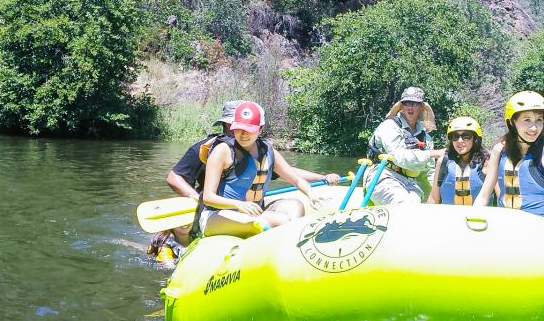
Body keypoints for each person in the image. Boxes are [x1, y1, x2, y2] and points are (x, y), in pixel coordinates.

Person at [167, 100, 339, 202]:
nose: (244, 131)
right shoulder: (207, 148)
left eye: (249, 126)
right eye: (238, 125)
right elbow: (174, 177)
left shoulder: (259, 150)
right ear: (228, 125)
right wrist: (196, 198)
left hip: (246, 207)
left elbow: (288, 172)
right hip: (216, 205)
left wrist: (321, 177)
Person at [200, 102, 324, 237]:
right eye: (239, 128)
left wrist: (311, 194)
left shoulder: (268, 151)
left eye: (249, 129)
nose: (243, 134)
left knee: (296, 206)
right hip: (217, 215)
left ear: (260, 129)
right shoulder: (222, 151)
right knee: (276, 220)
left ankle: (290, 243)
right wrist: (239, 205)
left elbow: (296, 180)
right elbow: (208, 197)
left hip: (252, 210)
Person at [473, 91, 544, 222]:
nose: (534, 128)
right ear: (512, 122)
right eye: (527, 120)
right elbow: (484, 196)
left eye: (539, 120)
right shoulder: (499, 150)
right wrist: (472, 221)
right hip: (506, 227)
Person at [365, 86, 445, 205]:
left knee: (418, 202)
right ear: (401, 106)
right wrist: (432, 153)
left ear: (421, 107)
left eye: (415, 103)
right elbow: (397, 155)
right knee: (405, 202)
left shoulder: (425, 138)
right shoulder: (389, 126)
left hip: (409, 182)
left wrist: (440, 194)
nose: (410, 107)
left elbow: (428, 172)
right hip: (382, 177)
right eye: (407, 103)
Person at [427, 117, 490, 205]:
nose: (460, 141)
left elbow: (500, 196)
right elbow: (434, 198)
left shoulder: (487, 163)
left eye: (466, 136)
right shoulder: (443, 162)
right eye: (455, 136)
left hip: (477, 217)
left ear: (475, 139)